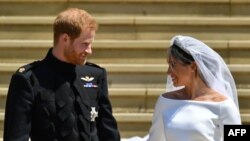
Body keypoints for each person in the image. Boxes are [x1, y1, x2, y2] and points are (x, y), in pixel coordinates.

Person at [4, 8, 120, 141]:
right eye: (85, 44)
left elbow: (109, 133)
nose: (89, 51)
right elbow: (15, 137)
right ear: (65, 39)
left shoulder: (95, 75)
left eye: (91, 44)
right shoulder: (29, 80)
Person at [122, 35, 241, 141]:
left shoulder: (224, 106)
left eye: (173, 65)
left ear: (193, 66)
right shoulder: (165, 101)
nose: (169, 72)